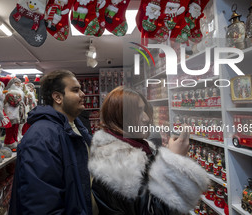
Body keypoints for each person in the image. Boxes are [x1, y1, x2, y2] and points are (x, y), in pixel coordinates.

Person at [88, 86, 209, 215]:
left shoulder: (142, 149)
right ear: (121, 117)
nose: (146, 118)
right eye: (139, 111)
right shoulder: (115, 169)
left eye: (145, 110)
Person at [9, 70, 93, 215]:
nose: (83, 94)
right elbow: (41, 203)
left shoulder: (78, 127)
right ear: (58, 97)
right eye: (75, 90)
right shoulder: (41, 136)